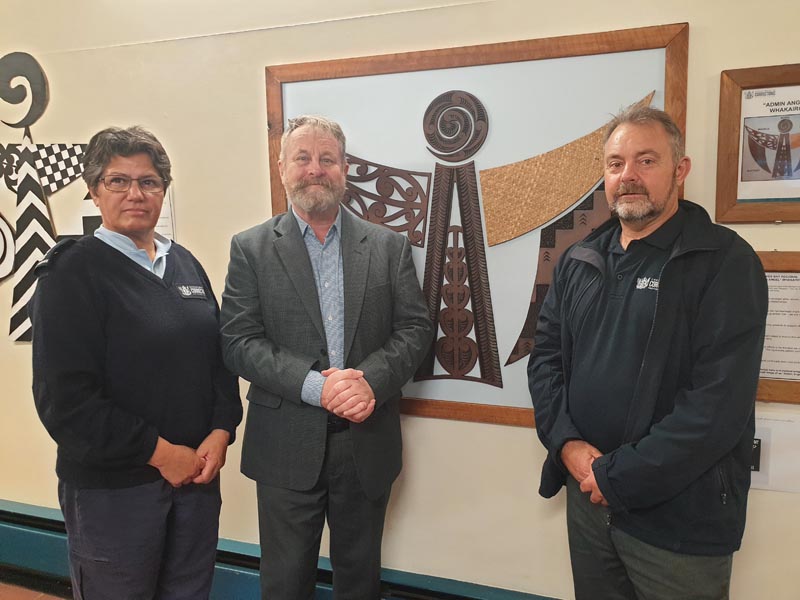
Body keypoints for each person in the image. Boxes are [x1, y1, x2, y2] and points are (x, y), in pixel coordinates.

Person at [527, 106, 768, 600]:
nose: (628, 177)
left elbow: (717, 407)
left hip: (679, 519)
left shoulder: (724, 262)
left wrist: (616, 476)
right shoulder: (579, 258)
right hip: (589, 503)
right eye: (615, 164)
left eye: (646, 161)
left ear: (680, 170)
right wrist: (569, 446)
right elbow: (546, 361)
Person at [220, 115, 432, 599]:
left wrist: (369, 383)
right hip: (285, 445)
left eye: (327, 159)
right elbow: (238, 341)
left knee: (359, 580)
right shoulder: (250, 249)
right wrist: (319, 386)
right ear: (282, 168)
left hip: (366, 439)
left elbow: (416, 328)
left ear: (344, 168)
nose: (315, 169)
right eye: (302, 158)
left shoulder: (388, 246)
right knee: (285, 581)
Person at [30, 126, 242, 600]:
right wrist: (162, 454)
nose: (135, 193)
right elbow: (66, 402)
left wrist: (221, 430)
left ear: (164, 191)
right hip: (115, 493)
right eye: (117, 181)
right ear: (93, 191)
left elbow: (218, 362)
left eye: (148, 181)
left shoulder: (185, 264)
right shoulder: (71, 272)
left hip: (196, 482)